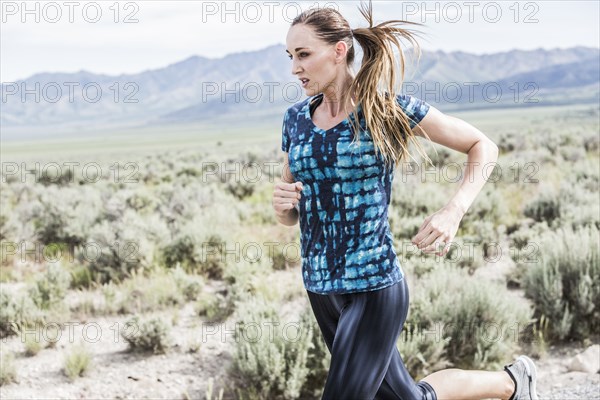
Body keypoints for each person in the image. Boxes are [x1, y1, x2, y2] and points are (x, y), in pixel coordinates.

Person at [271, 2, 539, 399]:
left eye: (304, 54)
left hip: (373, 286)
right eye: (291, 56)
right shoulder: (295, 120)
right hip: (320, 286)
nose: (295, 67)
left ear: (340, 50)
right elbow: (290, 204)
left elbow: (483, 145)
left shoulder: (385, 109)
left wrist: (454, 210)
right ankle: (512, 383)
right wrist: (283, 207)